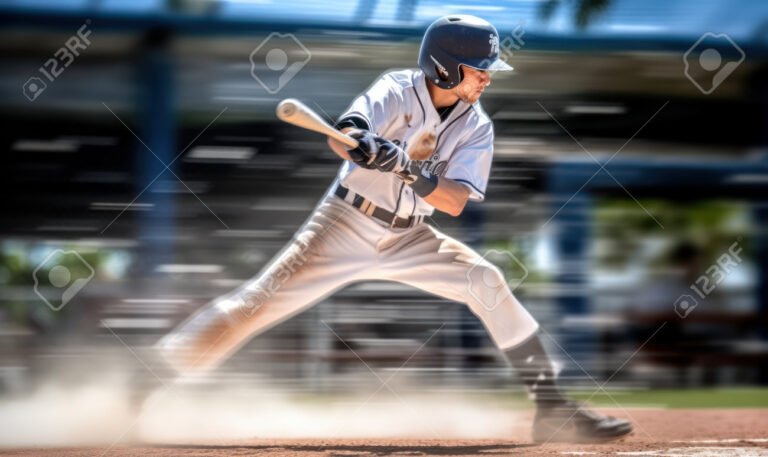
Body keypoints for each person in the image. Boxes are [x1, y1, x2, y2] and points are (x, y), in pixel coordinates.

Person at [149, 15, 632, 443]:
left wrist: (408, 168)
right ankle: (149, 376)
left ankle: (552, 408)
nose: (486, 77)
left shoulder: (477, 125)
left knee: (487, 282)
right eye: (478, 68)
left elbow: (455, 201)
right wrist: (364, 145)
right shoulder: (397, 87)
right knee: (255, 303)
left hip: (410, 236)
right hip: (343, 224)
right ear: (445, 67)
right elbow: (349, 134)